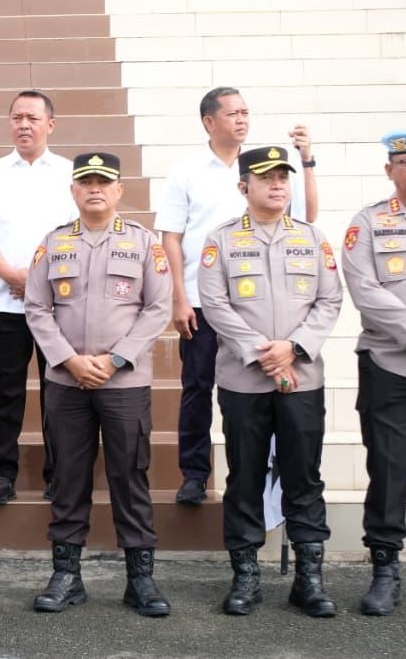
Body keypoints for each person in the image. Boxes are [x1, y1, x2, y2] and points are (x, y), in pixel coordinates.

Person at [155, 86, 319, 506]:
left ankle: (264, 483)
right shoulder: (186, 171)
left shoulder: (262, 167)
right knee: (197, 387)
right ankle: (195, 474)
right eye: (233, 113)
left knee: (258, 395)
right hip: (202, 301)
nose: (242, 119)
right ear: (209, 122)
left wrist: (306, 161)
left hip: (259, 307)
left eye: (246, 112)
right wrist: (178, 298)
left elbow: (307, 217)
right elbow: (171, 237)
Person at [25, 152, 172, 617]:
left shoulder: (143, 243)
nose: (94, 189)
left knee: (130, 475)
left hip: (124, 381)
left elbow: (158, 308)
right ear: (73, 190)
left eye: (103, 182)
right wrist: (69, 359)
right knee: (68, 476)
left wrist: (117, 358)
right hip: (66, 381)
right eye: (86, 181)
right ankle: (66, 576)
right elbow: (36, 307)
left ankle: (140, 579)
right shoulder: (53, 243)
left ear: (118, 190)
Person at [198, 146, 341, 617]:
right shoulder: (221, 241)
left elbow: (329, 300)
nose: (278, 185)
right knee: (245, 476)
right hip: (244, 381)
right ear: (244, 186)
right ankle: (245, 576)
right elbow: (214, 304)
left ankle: (309, 580)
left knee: (304, 476)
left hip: (301, 378)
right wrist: (264, 352)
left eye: (283, 177)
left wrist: (293, 348)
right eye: (267, 177)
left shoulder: (312, 238)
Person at [0, 89, 75, 505]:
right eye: (17, 118)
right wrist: (12, 275)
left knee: (58, 388)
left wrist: (40, 282)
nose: (24, 125)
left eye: (32, 118)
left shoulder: (69, 173)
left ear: (51, 124)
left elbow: (78, 235)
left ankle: (58, 472)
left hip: (59, 303)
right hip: (4, 299)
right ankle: (3, 473)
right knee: (6, 388)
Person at [342, 130, 406, 616]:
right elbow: (364, 289)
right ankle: (385, 568)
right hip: (388, 363)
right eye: (402, 160)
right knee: (387, 468)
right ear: (389, 169)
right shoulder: (367, 223)